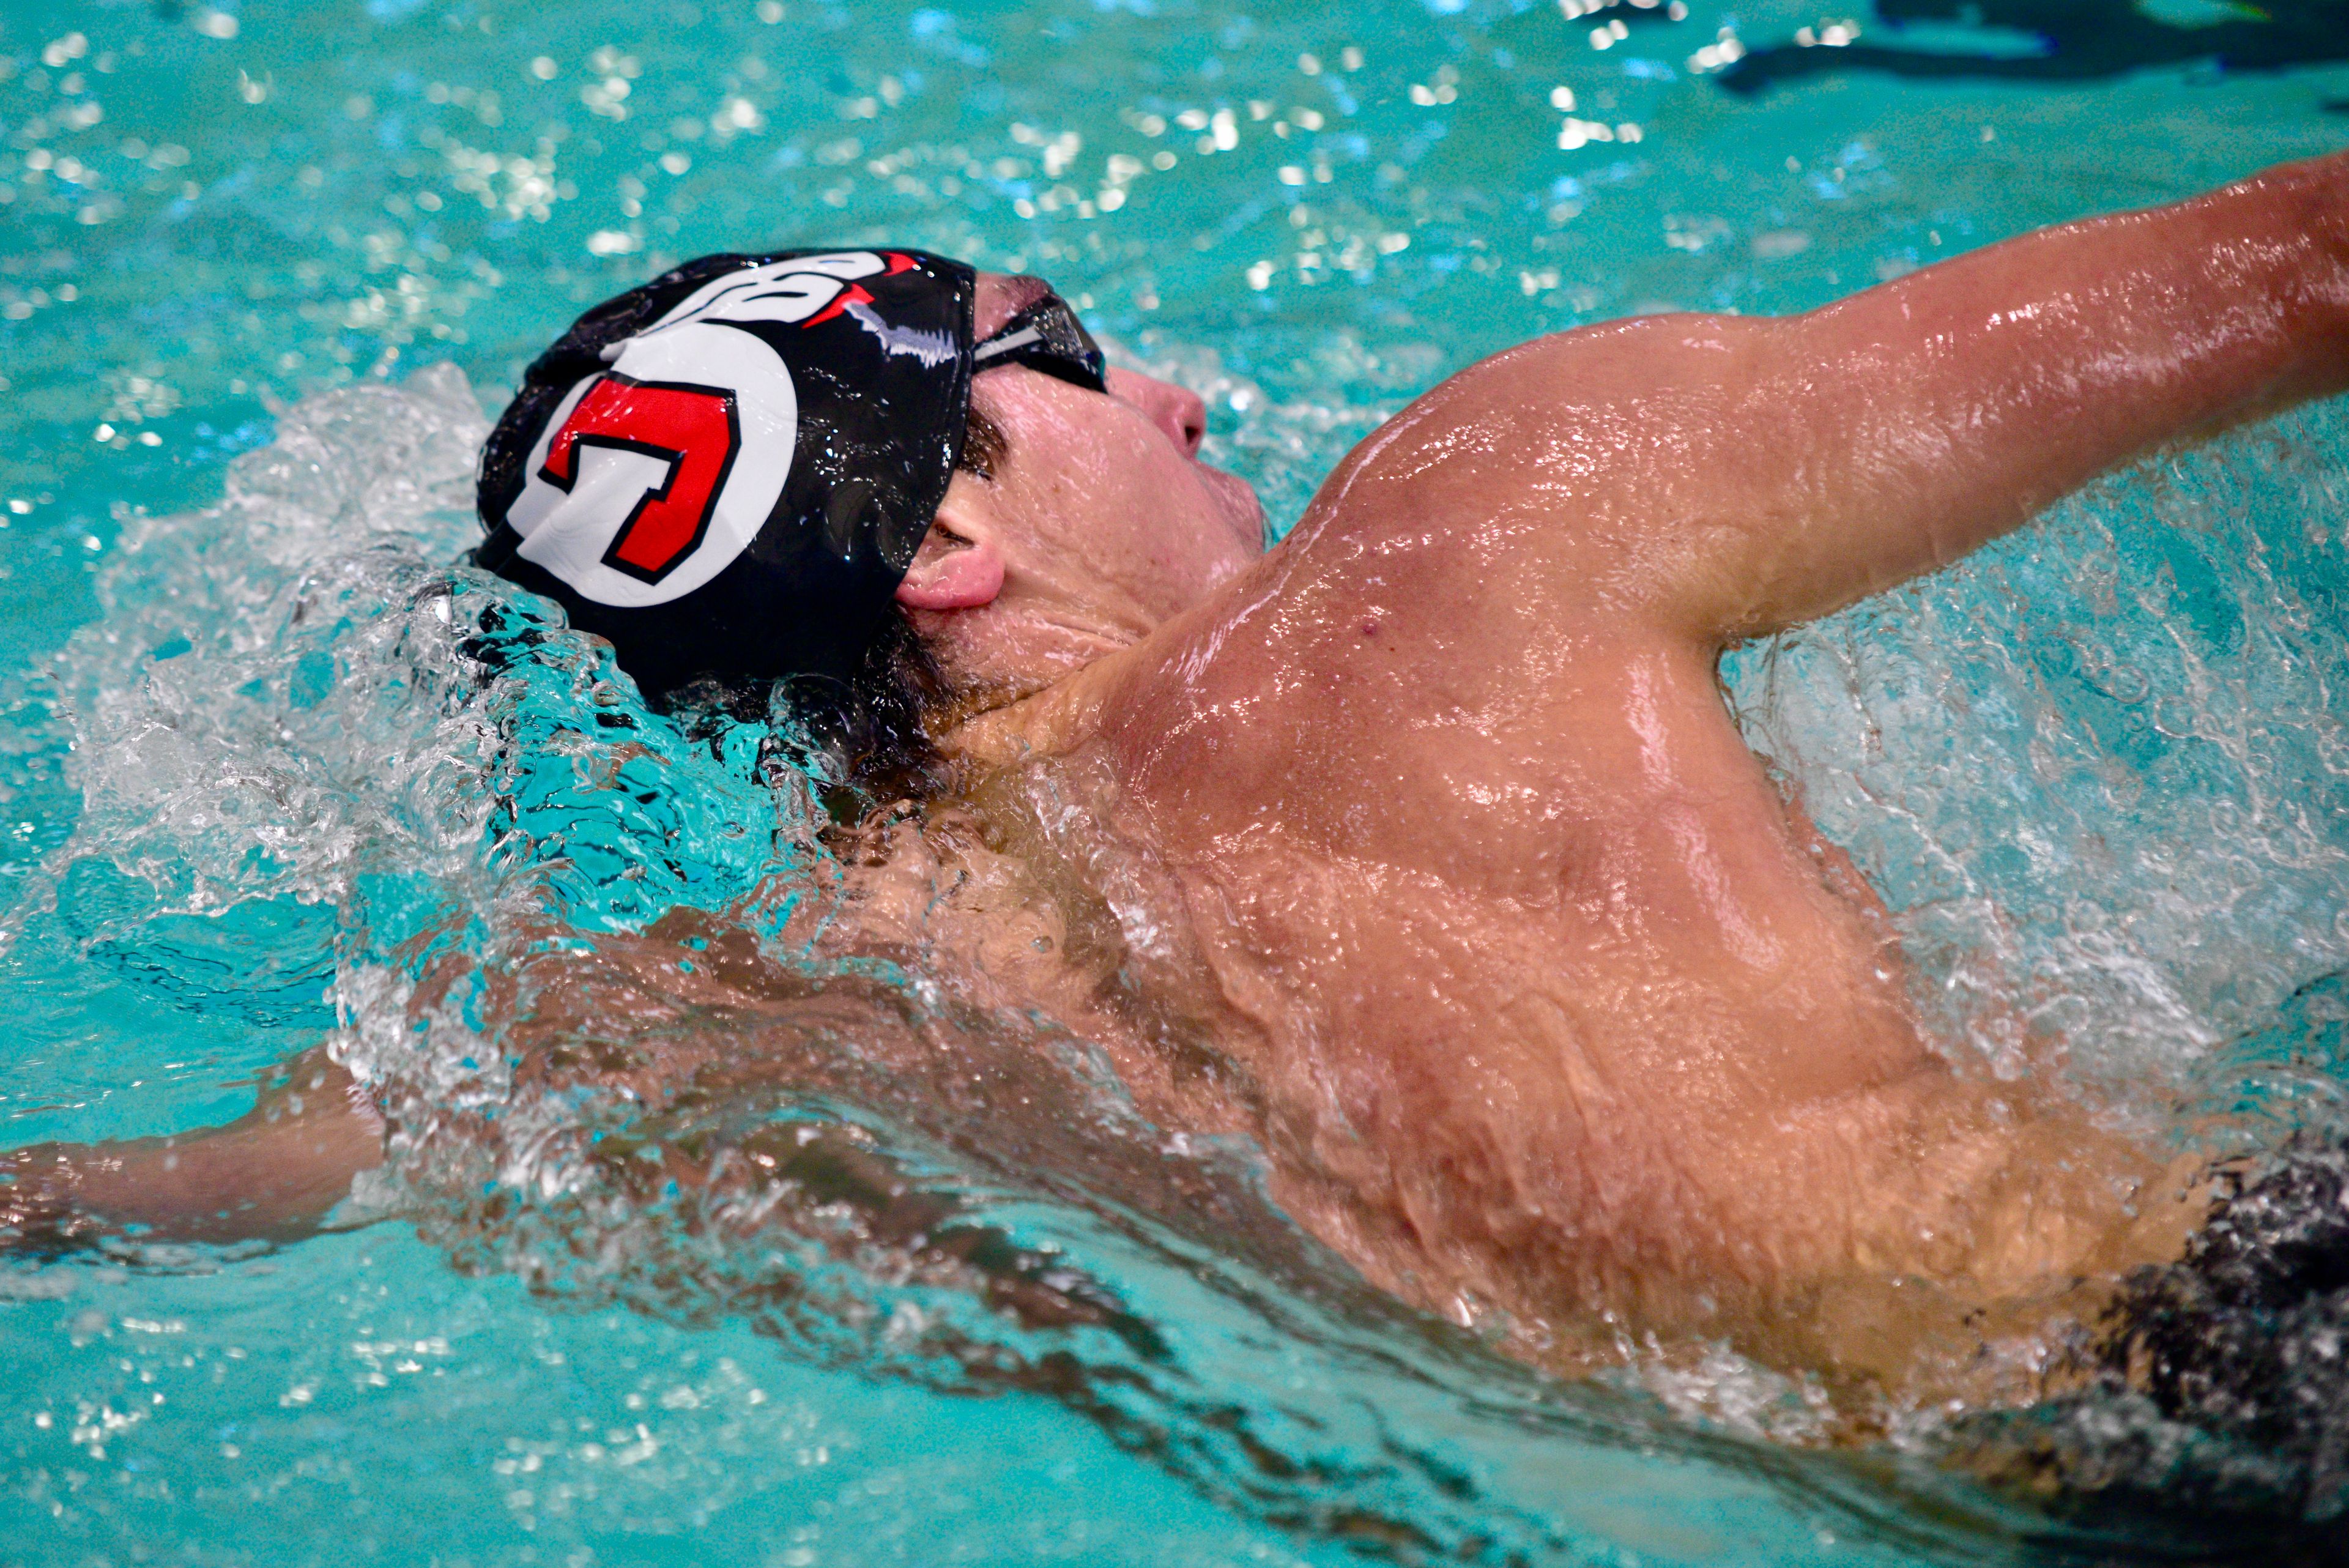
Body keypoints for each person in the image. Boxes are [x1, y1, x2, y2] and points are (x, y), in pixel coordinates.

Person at [9, 150, 2348, 1404]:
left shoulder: (778, 1001)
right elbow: (2285, 270)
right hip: (2227, 1323)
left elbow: (221, 1172)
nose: (1189, 399)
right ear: (938, 535)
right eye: (1077, 358)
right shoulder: (1464, 530)